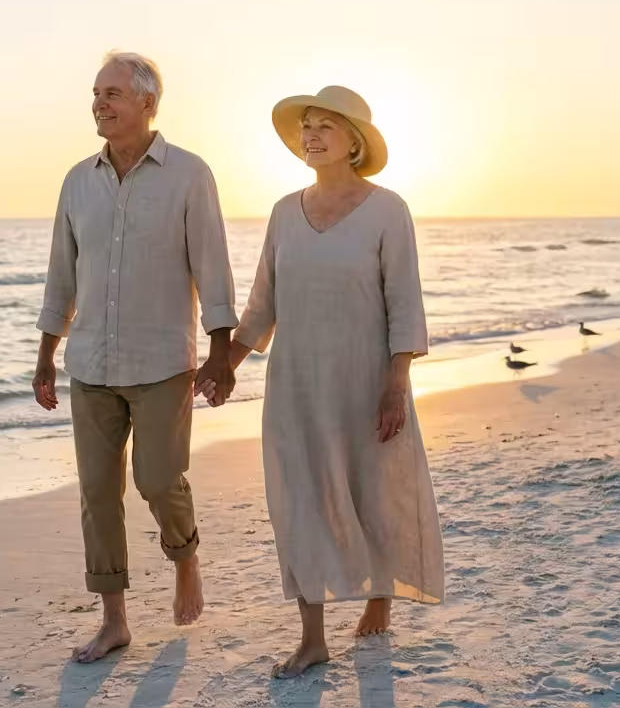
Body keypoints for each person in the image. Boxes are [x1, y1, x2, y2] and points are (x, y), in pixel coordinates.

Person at [199, 86, 444, 678]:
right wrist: (223, 364)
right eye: (306, 125)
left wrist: (397, 381)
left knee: (373, 490)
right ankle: (312, 637)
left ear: (354, 140)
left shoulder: (389, 210)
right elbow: (262, 305)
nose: (310, 134)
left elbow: (403, 302)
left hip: (365, 378)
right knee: (300, 500)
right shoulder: (285, 211)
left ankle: (378, 595)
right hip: (295, 384)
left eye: (325, 125)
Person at [33, 51, 238, 664]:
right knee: (97, 493)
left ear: (148, 102)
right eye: (96, 93)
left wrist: (220, 353)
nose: (100, 103)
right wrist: (46, 356)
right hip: (90, 364)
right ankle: (114, 620)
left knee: (156, 478)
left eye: (113, 93)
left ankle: (185, 556)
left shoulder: (189, 175)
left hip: (161, 364)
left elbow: (213, 265)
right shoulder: (77, 180)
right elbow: (60, 277)